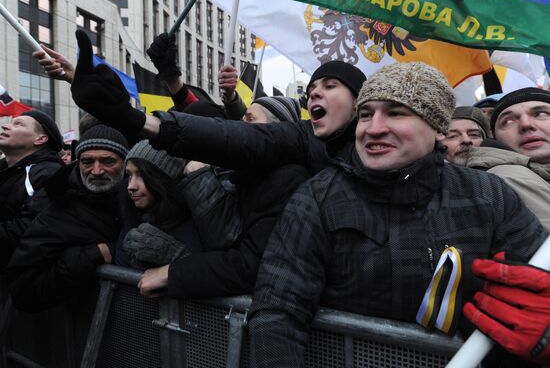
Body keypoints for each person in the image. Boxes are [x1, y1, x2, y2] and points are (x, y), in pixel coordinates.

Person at [247, 62, 548, 367]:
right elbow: (278, 310)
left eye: (396, 113)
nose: (374, 128)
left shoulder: (489, 196)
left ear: (437, 128)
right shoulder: (318, 198)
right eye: (366, 114)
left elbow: (535, 287)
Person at [70, 30, 366, 175]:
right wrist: (134, 119)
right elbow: (228, 136)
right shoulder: (301, 138)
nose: (314, 93)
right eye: (312, 87)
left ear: (359, 103)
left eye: (330, 86)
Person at [137, 99, 310, 299]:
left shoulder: (288, 179)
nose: (239, 127)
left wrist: (172, 272)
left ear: (276, 131)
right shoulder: (244, 175)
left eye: (250, 120)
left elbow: (246, 261)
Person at [7, 125, 129, 312]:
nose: (96, 171)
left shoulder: (142, 200)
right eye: (87, 162)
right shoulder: (57, 212)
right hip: (86, 330)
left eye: (108, 161)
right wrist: (92, 256)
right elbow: (23, 290)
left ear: (126, 163)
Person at [462, 87, 550, 232]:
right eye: (508, 121)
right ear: (495, 138)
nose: (526, 125)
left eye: (540, 114)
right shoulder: (506, 176)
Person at [116, 140, 203, 269]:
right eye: (129, 175)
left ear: (162, 179)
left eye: (141, 175)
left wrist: (174, 255)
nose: (131, 186)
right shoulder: (130, 215)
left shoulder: (195, 219)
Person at [0, 110, 64, 270]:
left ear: (40, 139)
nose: (5, 126)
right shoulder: (5, 171)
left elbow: (32, 227)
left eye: (18, 124)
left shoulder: (49, 173)